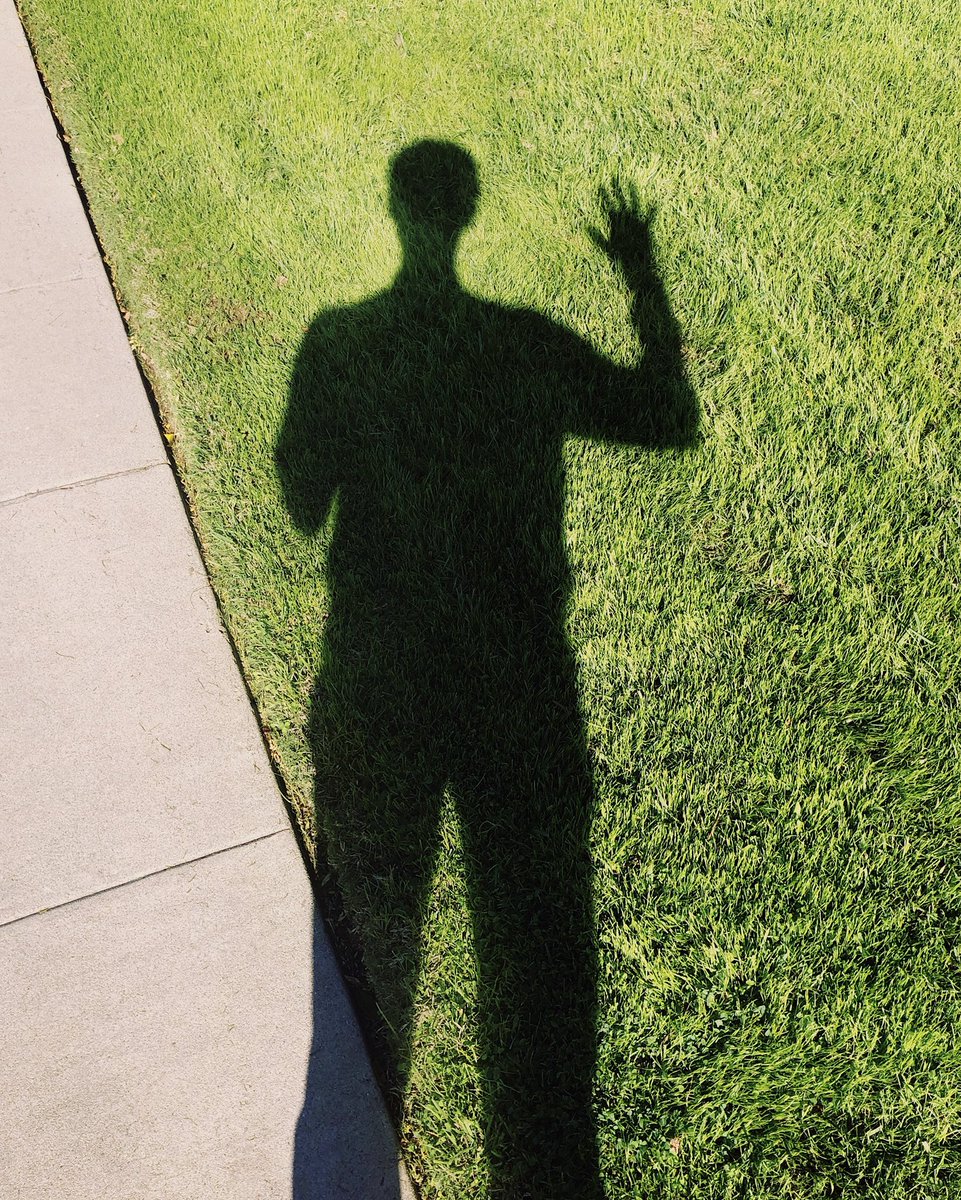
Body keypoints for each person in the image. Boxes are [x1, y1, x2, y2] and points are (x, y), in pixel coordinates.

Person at [278, 139, 697, 1200]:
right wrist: (640, 274)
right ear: (465, 215)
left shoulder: (339, 343)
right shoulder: (524, 345)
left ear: (397, 213)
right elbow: (667, 417)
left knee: (377, 958)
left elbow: (301, 502)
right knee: (534, 968)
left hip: (383, 680)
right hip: (519, 682)